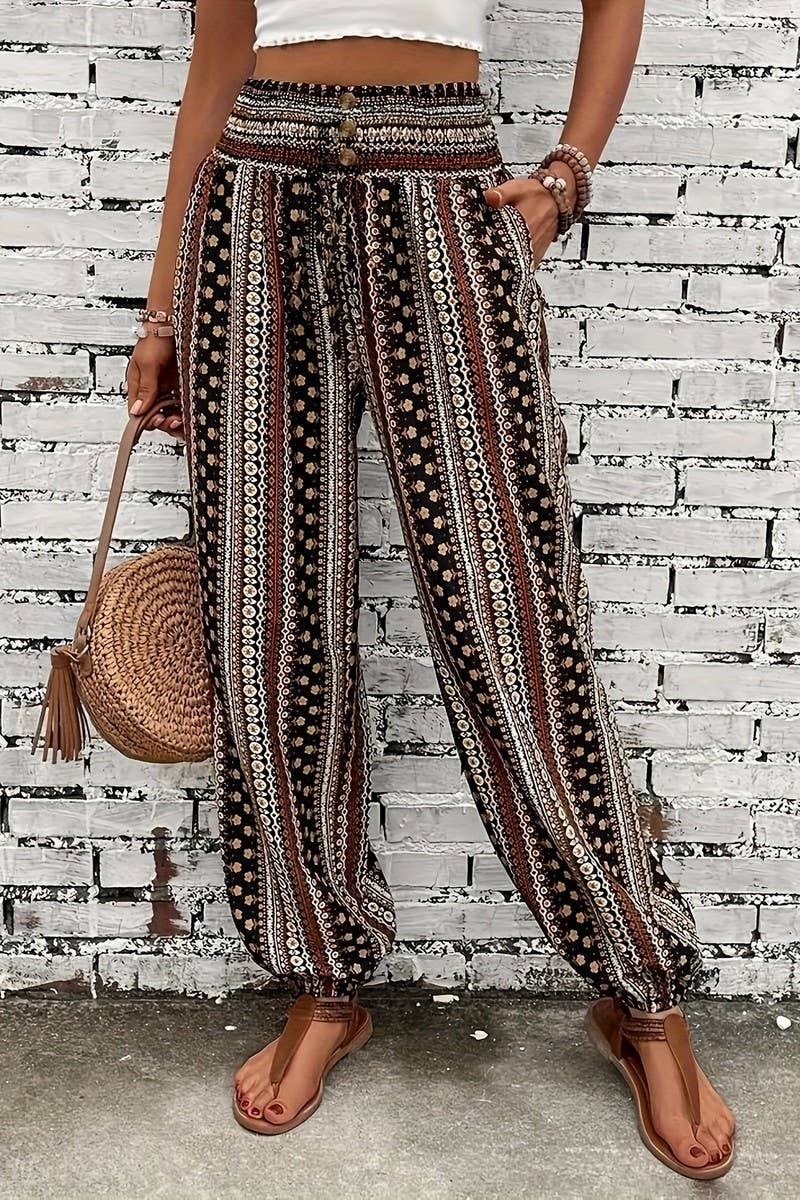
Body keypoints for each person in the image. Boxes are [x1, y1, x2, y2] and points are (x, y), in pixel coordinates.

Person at [125, 0, 735, 1178]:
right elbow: (219, 58)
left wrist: (568, 171)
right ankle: (322, 981)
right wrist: (163, 310)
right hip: (253, 198)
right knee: (264, 616)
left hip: (446, 190)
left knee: (511, 617)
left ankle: (640, 991)